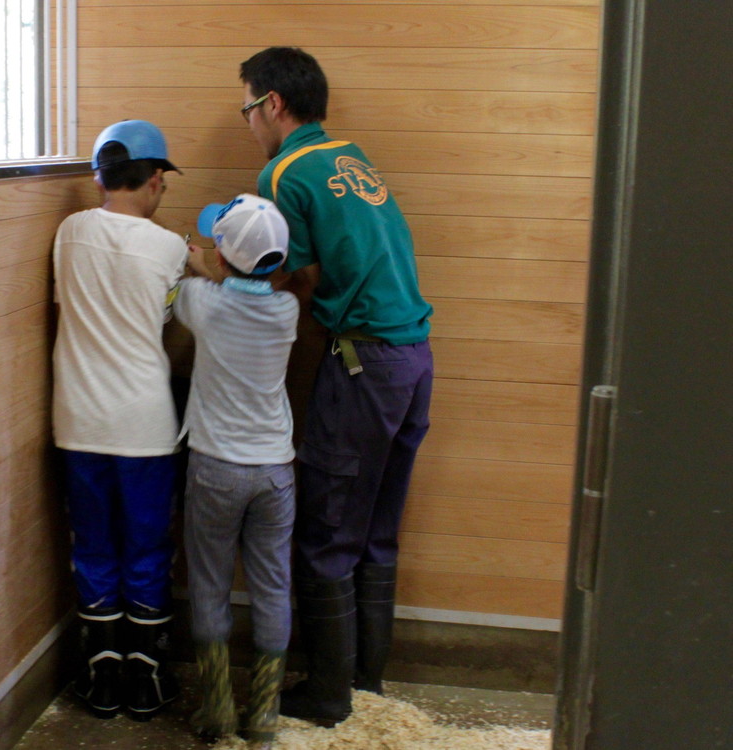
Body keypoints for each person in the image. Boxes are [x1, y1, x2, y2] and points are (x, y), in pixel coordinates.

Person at [239, 46, 435, 726]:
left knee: (326, 529)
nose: (249, 125)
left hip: (364, 362)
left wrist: (212, 272)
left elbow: (284, 275)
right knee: (376, 531)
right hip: (413, 357)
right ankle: (366, 684)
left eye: (247, 109)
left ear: (272, 104)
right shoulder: (350, 155)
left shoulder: (284, 170)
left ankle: (327, 696)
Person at [51, 119, 186, 721]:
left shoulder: (68, 232)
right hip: (145, 425)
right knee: (148, 546)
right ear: (155, 179)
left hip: (77, 420)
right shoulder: (169, 247)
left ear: (100, 176)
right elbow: (169, 316)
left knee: (94, 545)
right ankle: (148, 675)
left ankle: (101, 675)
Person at [174, 194, 299, 745]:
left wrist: (192, 257)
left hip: (216, 468)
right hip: (275, 471)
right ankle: (265, 714)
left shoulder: (203, 302)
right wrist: (221, 263)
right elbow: (246, 278)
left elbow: (185, 284)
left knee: (208, 584)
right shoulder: (288, 312)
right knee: (273, 586)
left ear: (222, 260)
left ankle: (218, 710)